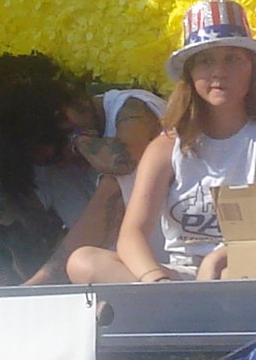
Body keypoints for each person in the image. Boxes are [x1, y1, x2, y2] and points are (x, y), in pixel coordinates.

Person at [72, 1, 256, 284]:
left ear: (253, 70)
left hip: (248, 270)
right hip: (178, 276)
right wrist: (156, 281)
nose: (219, 72)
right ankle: (171, 306)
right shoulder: (165, 145)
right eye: (206, 61)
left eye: (232, 59)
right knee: (83, 262)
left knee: (235, 276)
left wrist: (218, 260)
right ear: (190, 75)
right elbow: (132, 235)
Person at [21, 84, 165, 286]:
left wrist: (77, 141)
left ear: (65, 116)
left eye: (60, 154)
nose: (63, 164)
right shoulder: (65, 165)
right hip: (135, 273)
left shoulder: (133, 106)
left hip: (174, 267)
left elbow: (124, 161)